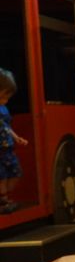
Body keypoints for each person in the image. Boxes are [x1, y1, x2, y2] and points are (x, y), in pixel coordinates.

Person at [0, 68, 29, 214]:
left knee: (16, 173)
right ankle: (3, 200)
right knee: (2, 176)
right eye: (3, 96)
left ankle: (4, 196)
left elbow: (6, 127)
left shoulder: (4, 109)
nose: (5, 101)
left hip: (8, 149)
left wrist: (16, 137)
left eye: (7, 97)